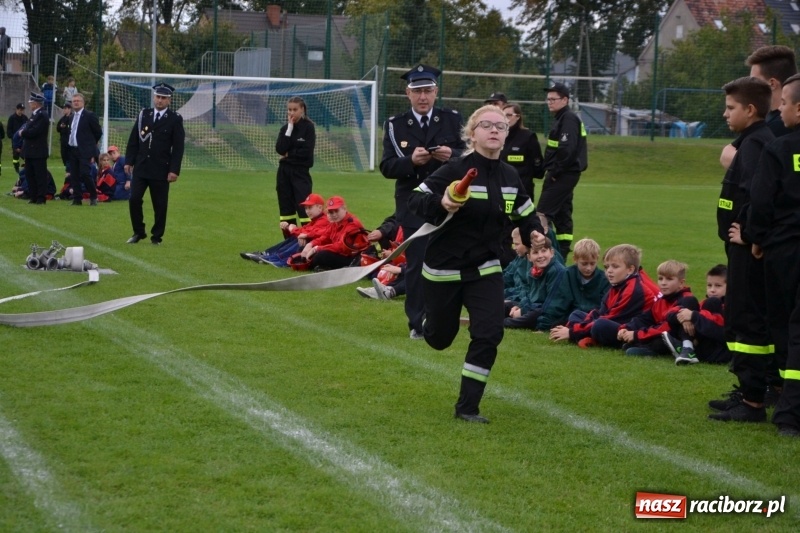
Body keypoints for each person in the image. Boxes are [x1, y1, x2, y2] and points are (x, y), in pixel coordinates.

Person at [408, 104, 546, 424]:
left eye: (501, 126)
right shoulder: (456, 169)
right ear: (473, 133)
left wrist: (535, 235)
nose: (495, 129)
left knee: (489, 333)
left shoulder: (511, 176)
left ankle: (467, 407)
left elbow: (525, 215)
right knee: (440, 340)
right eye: (487, 125)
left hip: (485, 267)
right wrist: (442, 202)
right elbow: (416, 200)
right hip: (443, 269)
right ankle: (434, 323)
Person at [380, 63, 466, 340]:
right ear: (408, 93)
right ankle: (418, 322)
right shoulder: (395, 125)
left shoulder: (453, 120)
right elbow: (386, 167)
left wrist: (450, 154)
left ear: (436, 92)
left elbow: (469, 154)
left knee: (448, 259)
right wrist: (410, 162)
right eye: (417, 91)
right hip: (413, 202)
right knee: (417, 261)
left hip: (447, 199)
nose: (423, 97)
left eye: (428, 90)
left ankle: (442, 316)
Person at [709, 76, 774, 423]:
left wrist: (748, 232)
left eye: (731, 108)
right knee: (738, 318)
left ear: (750, 110)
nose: (725, 114)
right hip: (739, 248)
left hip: (747, 250)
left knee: (747, 320)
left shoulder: (757, 144)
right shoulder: (748, 141)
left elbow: (759, 194)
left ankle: (752, 401)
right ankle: (748, 390)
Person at [747, 72, 800, 437]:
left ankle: (787, 411)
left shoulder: (780, 148)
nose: (779, 110)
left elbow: (761, 201)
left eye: (784, 103)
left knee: (786, 326)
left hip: (784, 250)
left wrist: (756, 237)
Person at [549, 244, 657, 349]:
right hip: (617, 323)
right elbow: (600, 312)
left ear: (630, 269)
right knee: (577, 314)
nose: (609, 271)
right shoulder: (617, 285)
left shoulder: (633, 289)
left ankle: (589, 338)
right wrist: (575, 328)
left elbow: (611, 317)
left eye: (615, 266)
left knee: (600, 325)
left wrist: (571, 332)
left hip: (630, 330)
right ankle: (586, 336)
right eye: (606, 267)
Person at [125, 83, 186, 245]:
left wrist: (174, 170)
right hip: (141, 166)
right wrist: (129, 161)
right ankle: (138, 232)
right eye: (158, 97)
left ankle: (156, 236)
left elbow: (178, 147)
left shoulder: (174, 119)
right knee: (134, 199)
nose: (160, 101)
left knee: (159, 205)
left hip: (161, 168)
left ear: (169, 101)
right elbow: (134, 140)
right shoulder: (144, 114)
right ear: (154, 97)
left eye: (163, 98)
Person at [720, 46, 798, 169]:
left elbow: (761, 171)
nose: (750, 85)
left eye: (754, 80)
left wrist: (733, 157)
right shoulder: (767, 120)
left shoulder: (780, 126)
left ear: (772, 83)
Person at [540, 82, 588, 260]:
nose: (549, 102)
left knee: (542, 214)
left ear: (565, 100)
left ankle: (542, 255)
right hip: (565, 173)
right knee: (562, 214)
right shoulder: (562, 118)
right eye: (548, 99)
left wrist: (554, 173)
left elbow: (566, 150)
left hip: (563, 174)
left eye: (554, 99)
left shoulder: (568, 118)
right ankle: (561, 255)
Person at [617, 260, 695, 361]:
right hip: (663, 332)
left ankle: (650, 349)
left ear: (681, 283)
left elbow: (667, 327)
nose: (663, 283)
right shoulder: (662, 300)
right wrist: (626, 328)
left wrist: (636, 335)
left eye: (669, 279)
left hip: (676, 336)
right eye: (660, 279)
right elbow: (645, 318)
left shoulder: (686, 300)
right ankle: (642, 345)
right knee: (644, 334)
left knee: (661, 339)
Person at [664, 264, 730, 365]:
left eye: (718, 286)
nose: (712, 289)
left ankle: (685, 347)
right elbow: (669, 314)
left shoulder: (730, 307)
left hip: (717, 351)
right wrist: (685, 318)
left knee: (711, 303)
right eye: (709, 285)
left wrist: (693, 316)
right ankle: (687, 346)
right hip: (699, 343)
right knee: (689, 301)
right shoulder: (704, 302)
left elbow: (719, 330)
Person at [240, 193, 330, 266]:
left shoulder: (323, 220)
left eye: (310, 207)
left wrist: (292, 229)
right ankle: (267, 254)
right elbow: (305, 231)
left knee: (302, 239)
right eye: (306, 208)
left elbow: (310, 233)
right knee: (298, 238)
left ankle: (275, 258)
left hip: (319, 249)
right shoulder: (315, 220)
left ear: (320, 207)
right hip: (317, 247)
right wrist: (287, 229)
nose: (307, 211)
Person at [544, 237, 610, 330]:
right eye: (584, 264)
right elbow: (557, 302)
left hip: (593, 319)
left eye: (592, 263)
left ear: (597, 259)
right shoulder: (566, 274)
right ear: (575, 259)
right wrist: (543, 326)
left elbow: (605, 307)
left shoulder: (604, 279)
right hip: (570, 317)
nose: (588, 268)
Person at [504, 236, 566, 330]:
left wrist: (524, 311)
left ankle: (504, 322)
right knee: (507, 305)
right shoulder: (532, 271)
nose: (540, 256)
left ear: (552, 253)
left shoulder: (557, 271)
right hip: (534, 306)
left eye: (544, 251)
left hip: (549, 312)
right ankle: (491, 317)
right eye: (536, 252)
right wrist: (520, 306)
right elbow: (530, 295)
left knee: (535, 314)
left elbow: (551, 304)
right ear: (529, 257)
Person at [275, 96, 316, 233]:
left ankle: (307, 240)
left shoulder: (308, 128)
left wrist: (289, 154)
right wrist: (290, 128)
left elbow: (306, 152)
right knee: (286, 209)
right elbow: (280, 149)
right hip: (284, 172)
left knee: (304, 208)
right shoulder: (285, 128)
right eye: (289, 110)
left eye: (294, 109)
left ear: (302, 110)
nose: (291, 113)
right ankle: (288, 244)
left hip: (300, 173)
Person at [299, 196, 368, 271]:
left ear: (344, 209)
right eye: (331, 212)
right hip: (339, 252)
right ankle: (315, 264)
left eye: (336, 211)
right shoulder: (335, 222)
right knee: (304, 248)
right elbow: (325, 237)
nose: (334, 214)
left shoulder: (352, 224)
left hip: (351, 257)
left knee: (321, 256)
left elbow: (341, 247)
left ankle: (311, 263)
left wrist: (317, 248)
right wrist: (311, 244)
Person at [501, 102, 544, 201]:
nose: (505, 118)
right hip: (500, 187)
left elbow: (537, 163)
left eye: (509, 115)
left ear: (518, 117)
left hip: (522, 190)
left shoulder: (528, 137)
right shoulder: (498, 135)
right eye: (503, 115)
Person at [66, 93, 102, 206]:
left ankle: (93, 196)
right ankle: (77, 198)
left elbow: (98, 132)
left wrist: (90, 146)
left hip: (85, 150)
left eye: (78, 101)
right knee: (74, 175)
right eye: (74, 101)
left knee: (85, 173)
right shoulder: (71, 117)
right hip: (73, 149)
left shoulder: (89, 115)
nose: (76, 102)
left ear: (83, 103)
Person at [18, 93, 50, 205]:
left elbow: (34, 131)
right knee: (30, 175)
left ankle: (41, 197)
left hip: (38, 151)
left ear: (36, 104)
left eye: (31, 103)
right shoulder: (34, 115)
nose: (30, 105)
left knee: (40, 175)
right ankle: (33, 196)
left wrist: (23, 132)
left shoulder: (42, 115)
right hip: (30, 151)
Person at [7, 103, 28, 175]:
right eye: (20, 110)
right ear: (17, 109)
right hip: (15, 141)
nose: (21, 111)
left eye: (22, 110)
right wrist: (14, 137)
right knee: (16, 156)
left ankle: (27, 167)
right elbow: (9, 131)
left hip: (24, 141)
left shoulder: (25, 118)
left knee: (25, 155)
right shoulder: (12, 118)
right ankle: (16, 168)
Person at [56, 102, 72, 170]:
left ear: (69, 109)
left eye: (65, 108)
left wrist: (66, 127)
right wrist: (61, 126)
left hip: (70, 143)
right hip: (63, 142)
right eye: (64, 108)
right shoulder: (62, 119)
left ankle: (69, 172)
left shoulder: (72, 118)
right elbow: (58, 128)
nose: (64, 110)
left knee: (69, 159)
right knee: (64, 157)